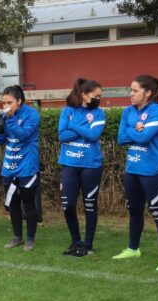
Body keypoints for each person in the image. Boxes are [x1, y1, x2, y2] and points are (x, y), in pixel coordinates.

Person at [114, 75, 158, 271]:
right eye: (130, 90)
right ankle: (133, 248)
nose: (130, 94)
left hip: (153, 171)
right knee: (134, 211)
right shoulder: (128, 112)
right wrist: (135, 129)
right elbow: (120, 138)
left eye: (135, 91)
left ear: (147, 92)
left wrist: (132, 131)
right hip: (132, 169)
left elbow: (144, 138)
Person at [58, 78, 105, 257]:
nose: (98, 99)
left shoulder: (99, 114)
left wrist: (73, 125)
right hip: (69, 164)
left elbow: (93, 135)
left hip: (91, 166)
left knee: (90, 205)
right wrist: (82, 129)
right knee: (68, 205)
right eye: (96, 96)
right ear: (84, 95)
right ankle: (76, 242)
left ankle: (88, 245)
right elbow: (62, 136)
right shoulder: (67, 110)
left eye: (100, 96)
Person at [0, 85, 40, 251]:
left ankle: (30, 238)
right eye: (3, 103)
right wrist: (0, 130)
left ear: (19, 101)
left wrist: (11, 119)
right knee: (13, 203)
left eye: (9, 102)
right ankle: (17, 237)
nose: (6, 106)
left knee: (28, 203)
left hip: (27, 166)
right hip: (9, 166)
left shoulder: (31, 115)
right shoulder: (7, 115)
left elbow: (22, 135)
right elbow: (1, 141)